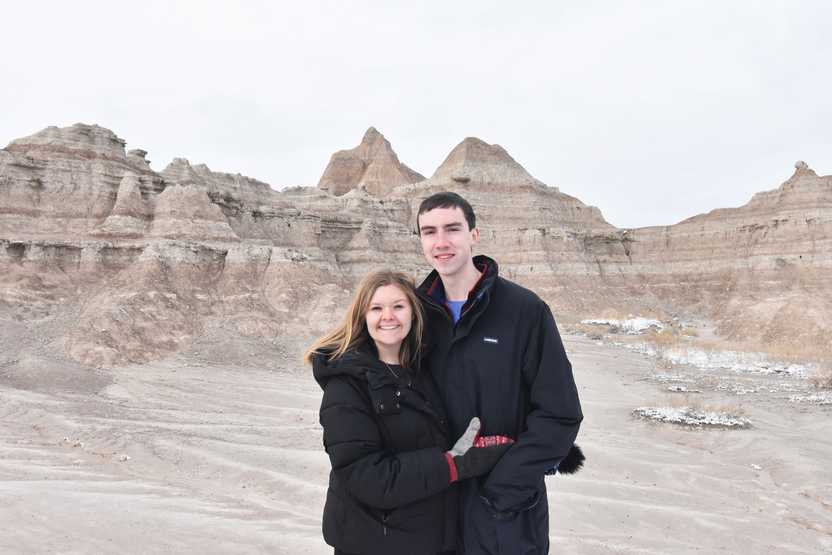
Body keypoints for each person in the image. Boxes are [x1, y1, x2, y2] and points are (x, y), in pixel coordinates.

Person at [415, 192, 584, 555]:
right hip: (431, 509)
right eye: (429, 232)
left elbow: (560, 412)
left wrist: (505, 487)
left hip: (505, 516)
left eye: (452, 229)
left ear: (474, 235)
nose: (441, 242)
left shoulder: (524, 311)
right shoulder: (412, 314)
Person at [306, 270, 512, 555]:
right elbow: (365, 476)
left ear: (413, 313)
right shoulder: (346, 387)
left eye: (398, 306)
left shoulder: (423, 373)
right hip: (373, 543)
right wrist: (453, 465)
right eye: (376, 308)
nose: (388, 316)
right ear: (362, 317)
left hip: (429, 538)